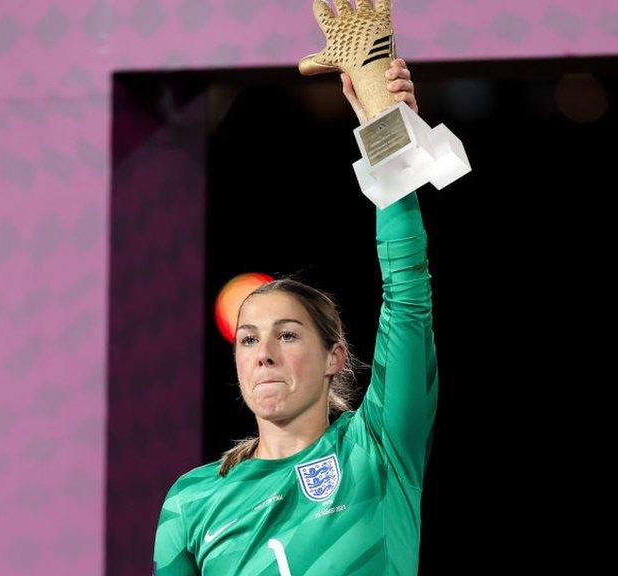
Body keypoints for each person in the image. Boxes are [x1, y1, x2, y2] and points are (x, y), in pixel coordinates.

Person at [154, 58, 436, 575]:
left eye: (286, 334)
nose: (263, 354)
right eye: (247, 340)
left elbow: (408, 295)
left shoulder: (375, 449)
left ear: (335, 357)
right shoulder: (190, 500)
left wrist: (386, 130)